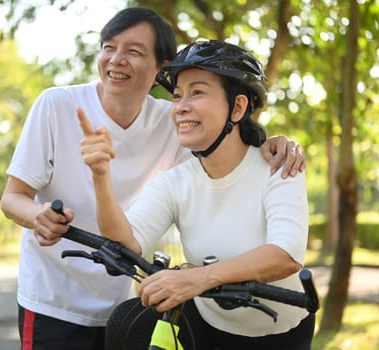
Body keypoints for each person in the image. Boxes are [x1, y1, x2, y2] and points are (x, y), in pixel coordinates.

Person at [0, 7, 306, 350]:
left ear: (159, 67)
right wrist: (99, 175)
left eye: (133, 51)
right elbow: (125, 240)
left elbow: (283, 248)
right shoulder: (58, 106)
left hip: (271, 327)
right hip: (56, 294)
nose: (116, 59)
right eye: (108, 47)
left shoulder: (180, 126)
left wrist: (278, 142)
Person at [78, 39, 314, 349]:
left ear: (238, 107)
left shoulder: (278, 168)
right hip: (207, 325)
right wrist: (100, 175)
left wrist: (197, 278)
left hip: (280, 332)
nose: (180, 106)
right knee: (128, 320)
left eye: (197, 92)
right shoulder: (175, 182)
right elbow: (126, 241)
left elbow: (285, 256)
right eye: (177, 96)